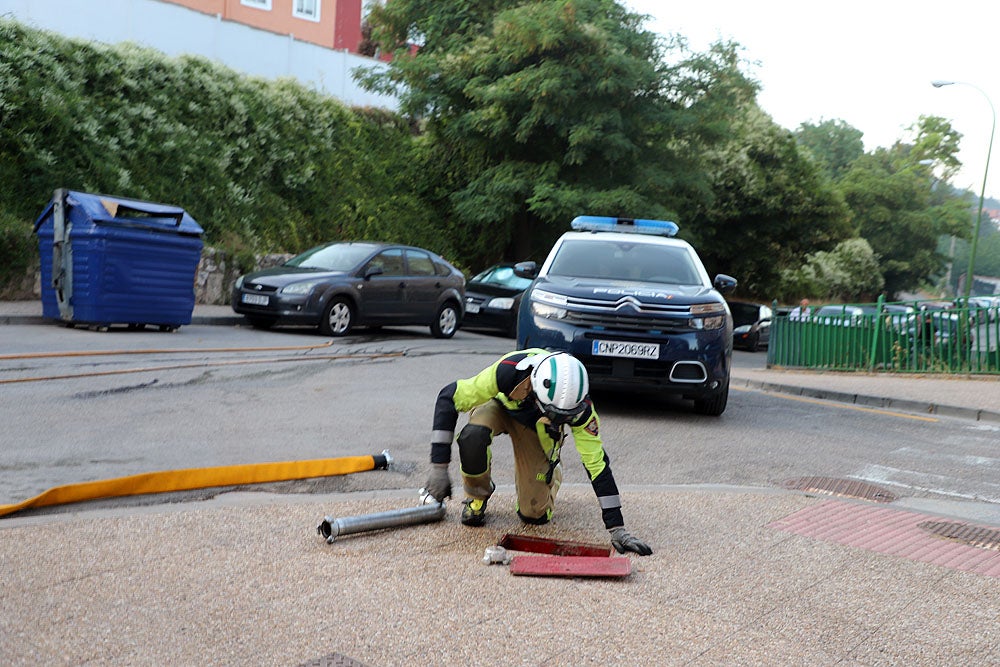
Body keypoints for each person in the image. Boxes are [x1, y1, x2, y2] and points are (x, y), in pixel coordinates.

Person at [423, 349, 653, 556]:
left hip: (536, 428)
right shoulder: (508, 371)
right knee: (473, 435)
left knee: (534, 515)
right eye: (558, 415)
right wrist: (438, 467)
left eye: (566, 417)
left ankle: (552, 474)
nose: (563, 420)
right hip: (501, 406)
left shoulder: (582, 410)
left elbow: (598, 465)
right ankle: (477, 497)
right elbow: (449, 397)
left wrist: (617, 528)